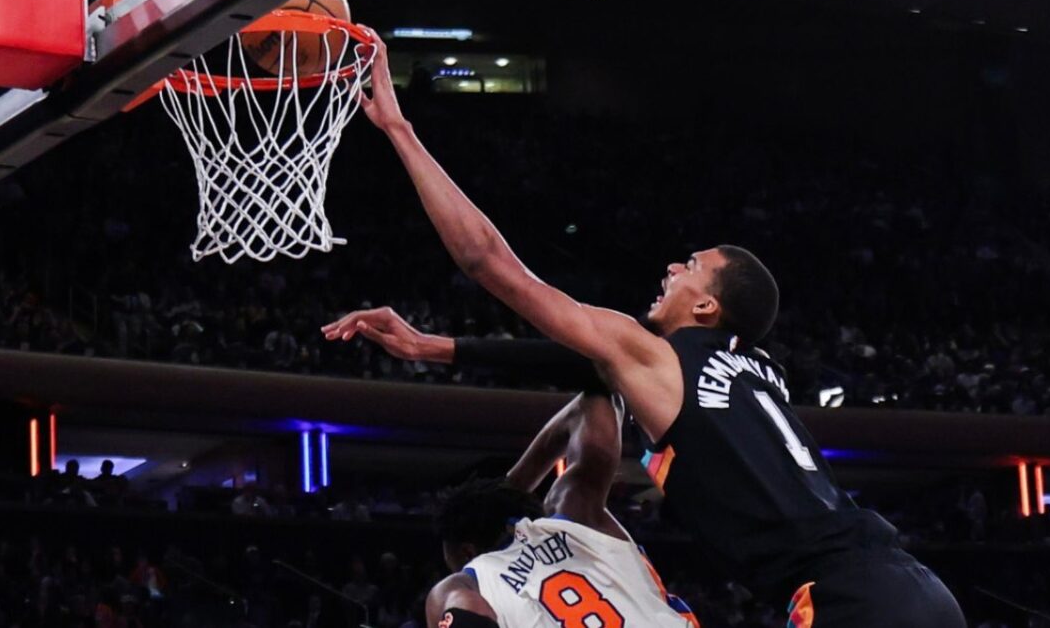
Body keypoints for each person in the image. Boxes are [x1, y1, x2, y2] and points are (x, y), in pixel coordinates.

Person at [325, 30, 965, 627]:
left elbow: (487, 263)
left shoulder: (660, 357)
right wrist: (435, 347)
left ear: (708, 309)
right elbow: (589, 373)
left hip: (847, 599)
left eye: (691, 266)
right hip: (913, 585)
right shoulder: (753, 370)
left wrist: (399, 129)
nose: (671, 266)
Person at [424, 393, 697, 628]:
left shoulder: (464, 584)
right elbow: (593, 403)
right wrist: (512, 487)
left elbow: (468, 616)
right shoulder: (576, 514)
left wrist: (505, 491)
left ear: (467, 552)